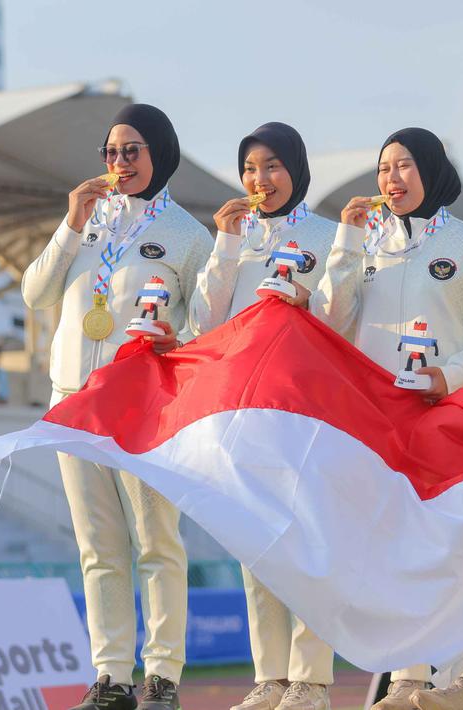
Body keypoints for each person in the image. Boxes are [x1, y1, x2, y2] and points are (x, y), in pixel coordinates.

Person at [312, 127, 463, 710]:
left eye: (404, 165)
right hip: (381, 424)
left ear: (430, 169)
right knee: (396, 552)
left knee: (461, 549)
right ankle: (408, 679)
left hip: (451, 417)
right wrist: (346, 243)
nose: (391, 178)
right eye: (384, 168)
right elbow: (330, 320)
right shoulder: (365, 245)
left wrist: (450, 376)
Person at [22, 103, 212, 710]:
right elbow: (35, 294)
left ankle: (162, 675)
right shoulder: (87, 223)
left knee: (156, 543)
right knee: (97, 547)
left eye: (132, 151)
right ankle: (110, 677)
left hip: (143, 408)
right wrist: (70, 223)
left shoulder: (188, 236)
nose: (119, 162)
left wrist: (178, 339)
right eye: (110, 152)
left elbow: (208, 328)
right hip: (74, 403)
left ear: (161, 153)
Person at [186, 122, 339, 710]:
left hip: (307, 411)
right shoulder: (235, 239)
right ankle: (269, 676)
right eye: (250, 168)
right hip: (244, 410)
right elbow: (203, 323)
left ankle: (310, 680)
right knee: (255, 546)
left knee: (305, 544)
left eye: (272, 165)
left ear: (296, 169)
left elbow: (345, 316)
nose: (260, 179)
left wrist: (309, 303)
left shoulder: (328, 236)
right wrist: (225, 245)